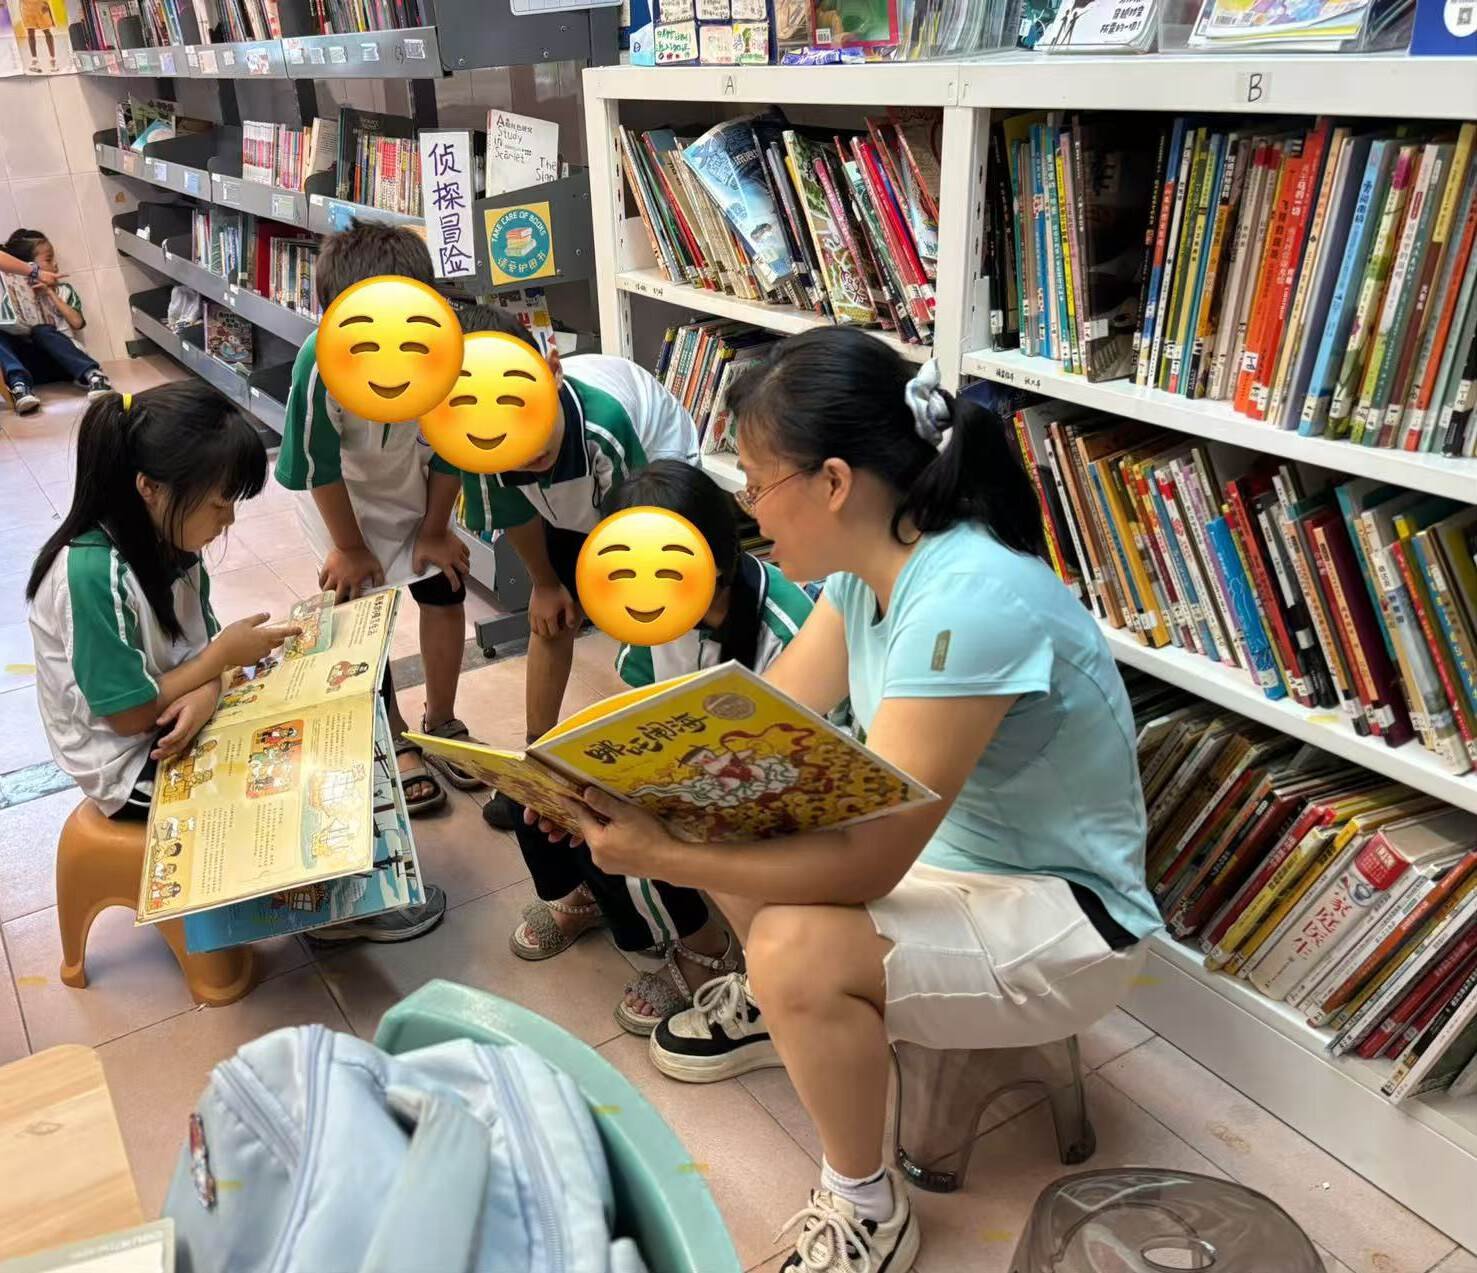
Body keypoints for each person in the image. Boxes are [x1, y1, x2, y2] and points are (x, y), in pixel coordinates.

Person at [542, 329, 1161, 1272]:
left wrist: (657, 853)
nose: (747, 508)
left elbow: (871, 863)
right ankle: (788, 1005)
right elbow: (754, 737)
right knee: (727, 799)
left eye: (757, 482)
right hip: (956, 860)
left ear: (833, 482)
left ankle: (865, 1203)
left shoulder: (969, 601)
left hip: (1066, 914)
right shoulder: (866, 573)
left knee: (789, 943)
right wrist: (595, 784)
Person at [510, 459, 815, 1036]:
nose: (638, 592)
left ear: (713, 558)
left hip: (775, 796)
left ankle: (708, 948)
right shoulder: (652, 609)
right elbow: (651, 711)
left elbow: (795, 767)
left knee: (642, 821)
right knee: (542, 798)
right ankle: (592, 898)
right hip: (701, 765)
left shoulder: (786, 630)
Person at [457, 309, 700, 832]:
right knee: (551, 617)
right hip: (572, 498)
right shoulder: (472, 442)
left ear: (552, 369)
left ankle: (668, 771)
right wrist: (546, 584)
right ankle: (538, 762)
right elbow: (514, 513)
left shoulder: (605, 425)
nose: (526, 449)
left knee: (659, 621)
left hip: (649, 478)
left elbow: (634, 539)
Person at [276, 220, 484, 828]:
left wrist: (436, 530)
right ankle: (392, 733)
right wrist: (348, 547)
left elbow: (451, 449)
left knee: (443, 588)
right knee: (362, 612)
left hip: (412, 486)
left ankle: (441, 721)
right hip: (340, 499)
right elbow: (314, 464)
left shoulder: (450, 354)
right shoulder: (319, 364)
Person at [26, 383, 298, 821]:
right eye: (219, 505)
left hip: (176, 713)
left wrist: (210, 687)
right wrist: (222, 660)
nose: (229, 520)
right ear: (149, 488)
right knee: (276, 792)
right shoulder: (92, 575)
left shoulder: (175, 543)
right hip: (128, 764)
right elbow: (128, 716)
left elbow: (200, 652)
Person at [0, 229, 107, 413]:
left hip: (66, 366)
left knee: (41, 330)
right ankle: (20, 386)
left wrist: (50, 293)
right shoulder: (11, 295)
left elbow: (77, 323)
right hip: (32, 369)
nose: (55, 264)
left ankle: (94, 375)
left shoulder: (63, 291)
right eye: (49, 260)